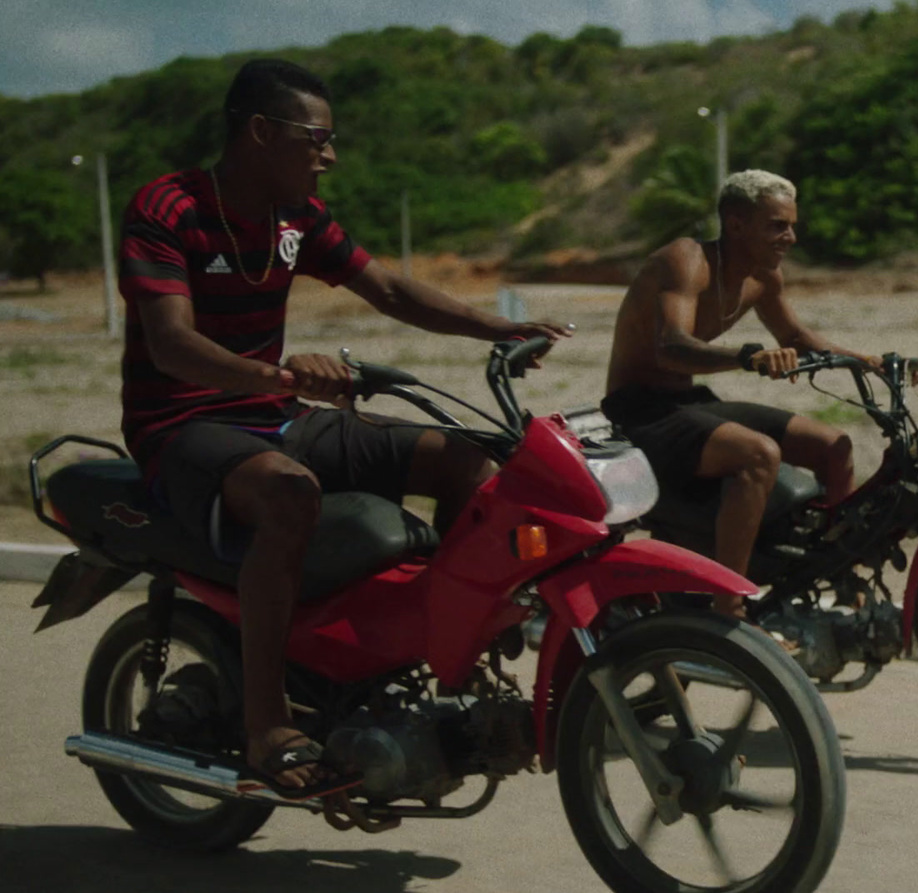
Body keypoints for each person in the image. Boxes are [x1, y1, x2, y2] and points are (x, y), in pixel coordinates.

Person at [118, 59, 569, 794]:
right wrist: (280, 376)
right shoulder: (169, 208)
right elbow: (171, 343)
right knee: (289, 493)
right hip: (183, 423)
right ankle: (267, 722)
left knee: (469, 460)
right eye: (316, 139)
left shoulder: (297, 218)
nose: (329, 155)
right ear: (261, 133)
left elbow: (386, 287)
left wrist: (501, 327)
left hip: (276, 413)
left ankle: (445, 661)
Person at [601, 170, 877, 617]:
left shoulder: (764, 278)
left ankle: (834, 572)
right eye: (776, 225)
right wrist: (748, 356)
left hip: (690, 403)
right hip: (640, 408)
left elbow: (797, 336)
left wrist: (871, 363)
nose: (789, 237)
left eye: (791, 225)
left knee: (834, 447)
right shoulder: (686, 261)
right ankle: (728, 603)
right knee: (758, 454)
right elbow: (671, 348)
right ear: (735, 223)